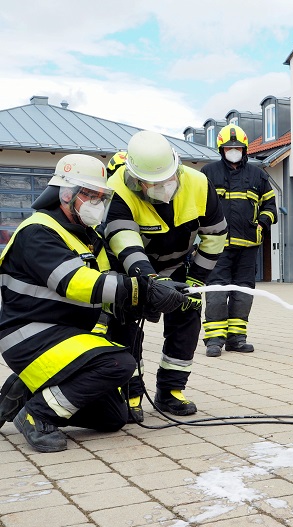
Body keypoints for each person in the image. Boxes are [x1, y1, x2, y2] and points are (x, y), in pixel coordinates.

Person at [0, 154, 187, 452]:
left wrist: (147, 300)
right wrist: (140, 290)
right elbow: (76, 283)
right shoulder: (38, 233)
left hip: (65, 335)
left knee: (114, 417)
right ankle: (37, 415)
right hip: (30, 334)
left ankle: (28, 389)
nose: (96, 203)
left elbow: (105, 292)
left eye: (101, 196)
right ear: (65, 193)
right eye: (89, 195)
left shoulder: (89, 238)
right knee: (118, 362)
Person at [104, 131, 228, 420]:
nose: (162, 187)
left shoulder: (198, 183)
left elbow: (216, 237)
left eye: (166, 180)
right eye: (152, 184)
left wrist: (195, 281)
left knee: (187, 319)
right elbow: (125, 243)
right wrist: (150, 283)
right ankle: (131, 392)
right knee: (125, 327)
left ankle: (170, 391)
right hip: (131, 269)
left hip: (178, 265)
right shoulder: (118, 190)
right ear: (136, 180)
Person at [201, 125, 277, 357]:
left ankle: (237, 338)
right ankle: (214, 340)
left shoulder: (258, 175)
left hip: (248, 246)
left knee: (243, 292)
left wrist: (262, 223)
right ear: (221, 149)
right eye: (228, 147)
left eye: (237, 147)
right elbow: (197, 206)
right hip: (217, 245)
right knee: (216, 291)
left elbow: (270, 206)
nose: (233, 151)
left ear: (244, 150)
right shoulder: (208, 173)